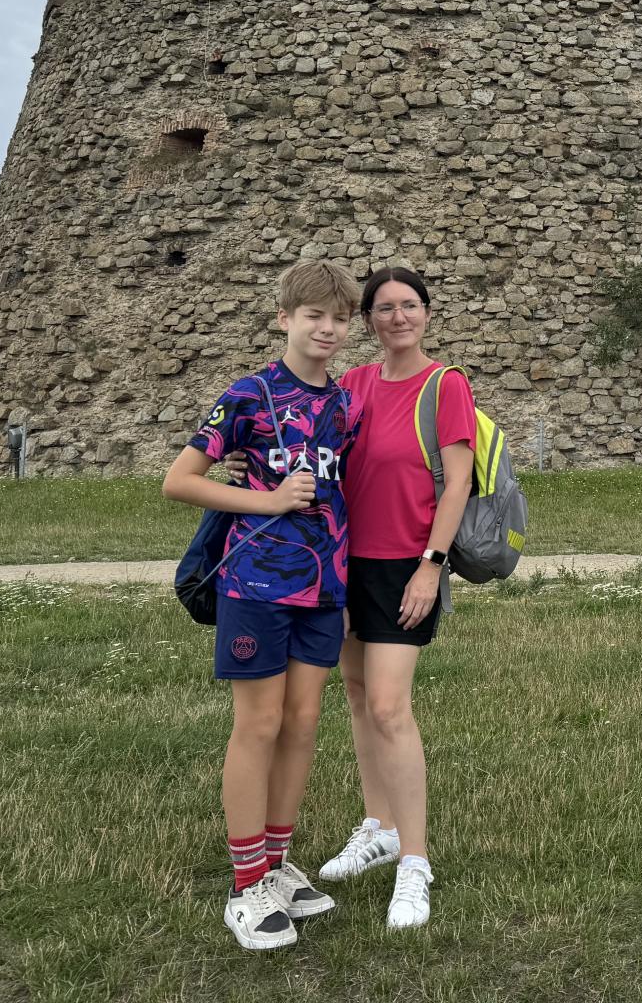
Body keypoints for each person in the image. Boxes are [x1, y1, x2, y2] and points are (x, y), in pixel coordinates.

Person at [160, 260, 360, 951]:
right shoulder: (247, 397)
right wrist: (266, 499)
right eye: (314, 316)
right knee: (260, 724)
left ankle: (277, 866)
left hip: (325, 586)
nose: (327, 329)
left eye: (338, 318)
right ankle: (246, 885)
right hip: (255, 583)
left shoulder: (346, 405)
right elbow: (180, 481)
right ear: (285, 318)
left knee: (303, 724)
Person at [319, 265, 475, 929]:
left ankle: (415, 862)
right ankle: (377, 824)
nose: (398, 317)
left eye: (409, 305)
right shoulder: (351, 386)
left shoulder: (446, 386)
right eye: (385, 308)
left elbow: (458, 484)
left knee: (389, 706)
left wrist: (430, 568)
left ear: (426, 314)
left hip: (404, 566)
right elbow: (312, 453)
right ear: (369, 320)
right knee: (356, 697)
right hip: (346, 561)